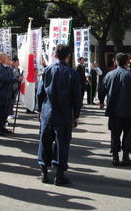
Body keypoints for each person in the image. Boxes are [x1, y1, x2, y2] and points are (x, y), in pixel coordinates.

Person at [37, 44, 81, 186]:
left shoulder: (48, 70)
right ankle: (59, 175)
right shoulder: (73, 73)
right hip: (64, 113)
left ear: (55, 56)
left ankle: (43, 172)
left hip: (47, 112)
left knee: (45, 141)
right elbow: (76, 97)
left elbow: (40, 92)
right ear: (68, 56)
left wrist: (39, 110)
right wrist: (76, 115)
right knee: (62, 143)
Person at [98, 53, 131, 166]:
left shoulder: (109, 75)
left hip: (113, 109)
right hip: (128, 109)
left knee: (115, 133)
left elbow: (102, 88)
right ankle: (126, 156)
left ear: (115, 62)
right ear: (127, 62)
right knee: (128, 133)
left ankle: (115, 156)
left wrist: (101, 101)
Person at [0, 53, 22, 135]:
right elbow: (5, 79)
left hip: (8, 93)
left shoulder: (7, 68)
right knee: (1, 112)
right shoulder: (0, 68)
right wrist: (17, 79)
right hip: (2, 93)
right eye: (7, 57)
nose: (8, 58)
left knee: (5, 111)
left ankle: (3, 127)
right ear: (2, 59)